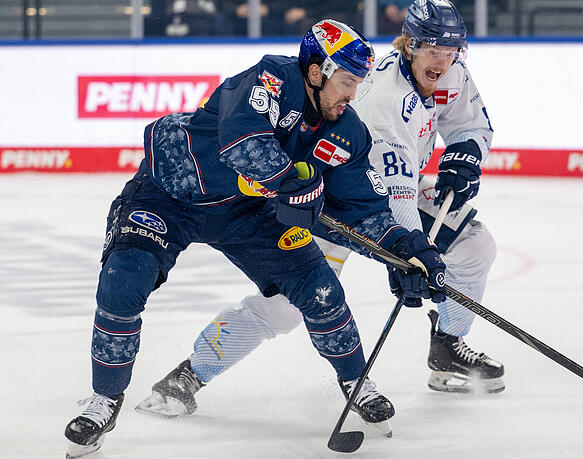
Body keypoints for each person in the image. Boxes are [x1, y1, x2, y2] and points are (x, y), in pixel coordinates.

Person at [64, 19, 446, 459]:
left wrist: (404, 250)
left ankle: (355, 381)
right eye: (345, 82)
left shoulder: (346, 131)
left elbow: (363, 210)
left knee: (320, 289)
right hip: (170, 194)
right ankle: (105, 401)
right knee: (123, 281)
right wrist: (292, 183)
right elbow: (243, 143)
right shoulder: (272, 78)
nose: (351, 95)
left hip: (245, 212)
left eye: (357, 84)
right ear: (317, 71)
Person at [136, 0, 500, 424]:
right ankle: (189, 375)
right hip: (334, 200)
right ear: (410, 44)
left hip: (381, 189)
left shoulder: (451, 70)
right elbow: (388, 203)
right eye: (434, 50)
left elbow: (471, 125)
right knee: (288, 307)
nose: (444, 59)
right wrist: (406, 256)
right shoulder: (383, 99)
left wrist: (466, 154)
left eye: (452, 50)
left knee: (475, 245)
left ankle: (448, 347)